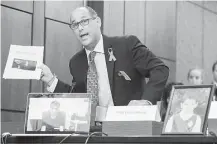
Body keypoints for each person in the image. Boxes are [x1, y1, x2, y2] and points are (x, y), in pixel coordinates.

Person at [38, 6, 169, 121]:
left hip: (129, 128)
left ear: (98, 21)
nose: (80, 28)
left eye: (84, 21)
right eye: (75, 25)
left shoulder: (126, 45)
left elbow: (160, 70)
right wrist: (51, 80)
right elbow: (77, 98)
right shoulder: (76, 62)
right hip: (95, 133)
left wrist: (146, 101)